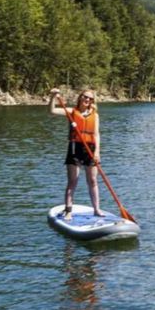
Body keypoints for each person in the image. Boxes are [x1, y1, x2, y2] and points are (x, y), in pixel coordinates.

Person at [49, 88, 102, 219]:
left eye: (90, 98)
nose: (87, 100)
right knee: (73, 181)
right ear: (80, 98)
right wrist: (53, 98)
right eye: (85, 97)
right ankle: (68, 210)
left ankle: (96, 209)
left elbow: (96, 134)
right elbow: (52, 111)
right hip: (75, 147)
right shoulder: (72, 112)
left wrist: (97, 152)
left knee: (93, 180)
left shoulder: (95, 115)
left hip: (90, 148)